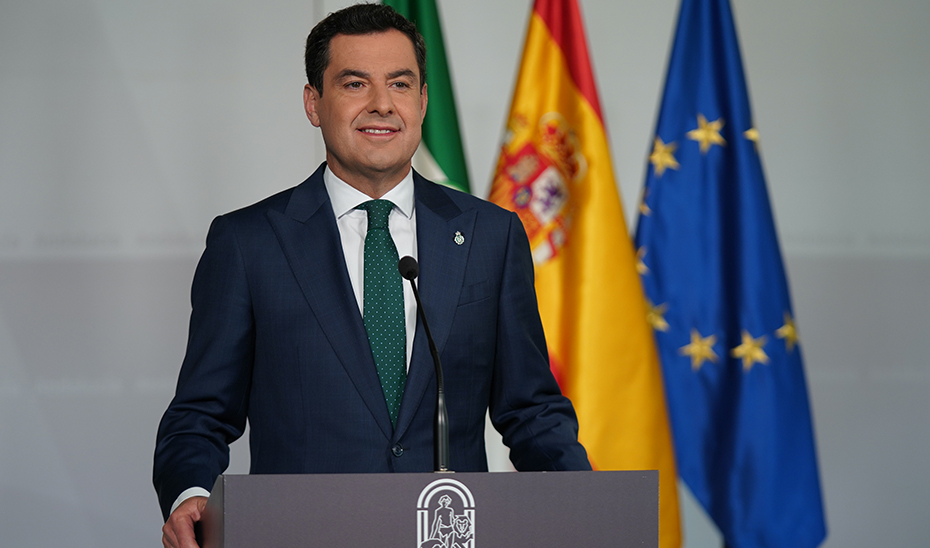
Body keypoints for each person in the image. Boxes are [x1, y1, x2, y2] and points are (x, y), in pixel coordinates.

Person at [154, 4, 590, 548]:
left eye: (400, 84)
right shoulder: (248, 244)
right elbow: (200, 414)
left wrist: (585, 503)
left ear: (423, 101)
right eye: (355, 83)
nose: (382, 104)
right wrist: (189, 492)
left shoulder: (490, 236)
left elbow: (531, 409)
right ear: (314, 103)